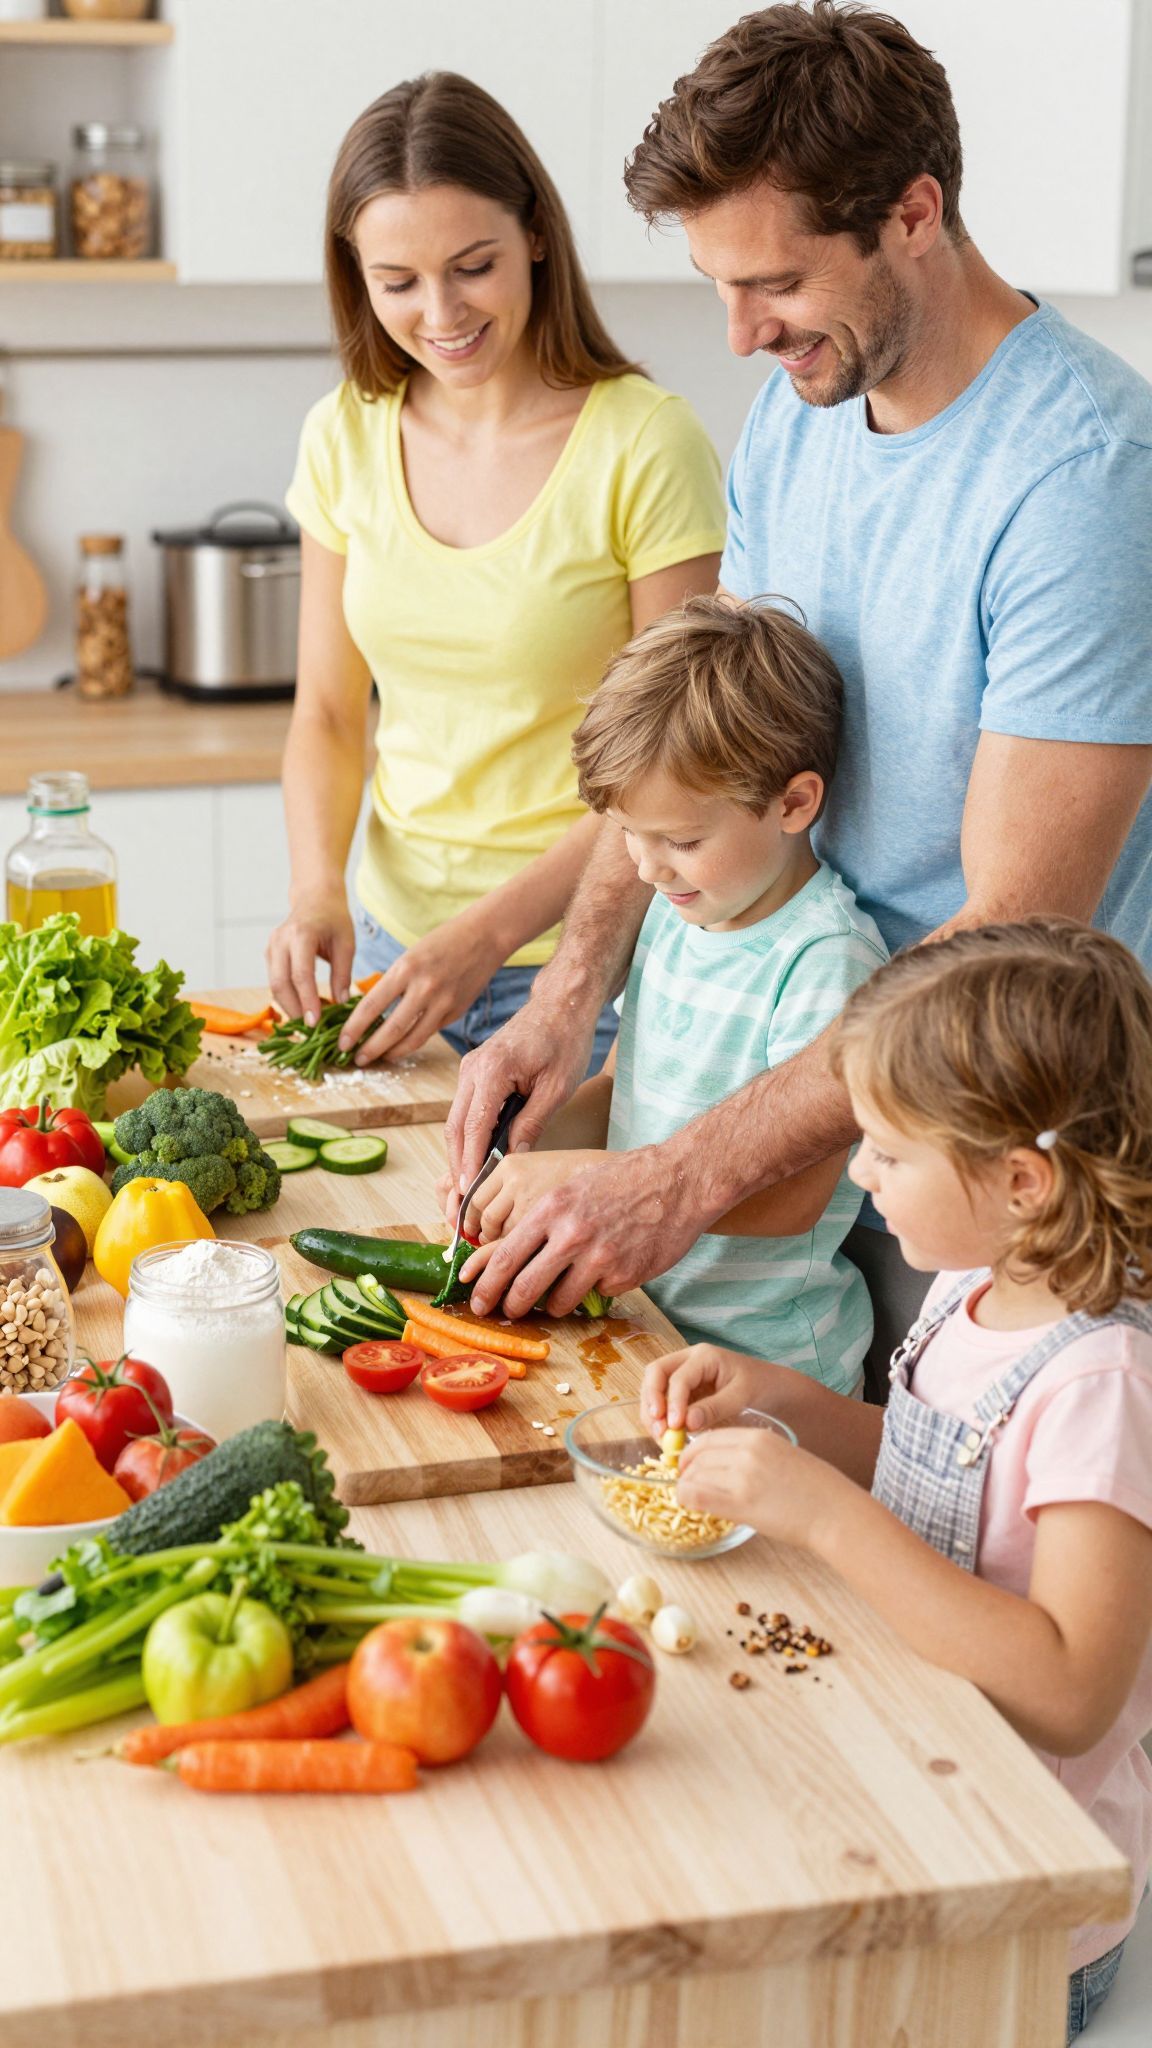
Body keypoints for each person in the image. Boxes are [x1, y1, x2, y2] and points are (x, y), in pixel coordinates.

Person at [446, 3, 1152, 1391]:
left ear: (913, 214)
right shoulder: (802, 411)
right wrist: (567, 998)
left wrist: (682, 1174)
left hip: (1003, 1173)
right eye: (717, 283)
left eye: (773, 281)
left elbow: (1012, 930)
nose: (739, 333)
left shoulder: (1085, 479)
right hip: (814, 1131)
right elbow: (696, 746)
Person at [643, 920, 1152, 2041]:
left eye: (886, 1151)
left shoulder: (1102, 1381)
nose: (861, 1174)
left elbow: (1074, 1691)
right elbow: (947, 1472)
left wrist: (825, 1517)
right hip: (916, 1773)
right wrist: (787, 1402)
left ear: (1021, 1181)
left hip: (1016, 1903)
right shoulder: (977, 1279)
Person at [269, 71, 724, 1065]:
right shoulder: (343, 434)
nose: (440, 311)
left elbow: (667, 763)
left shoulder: (645, 443)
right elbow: (330, 713)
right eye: (398, 282)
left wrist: (488, 937)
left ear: (536, 236)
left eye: (472, 266)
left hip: (588, 967)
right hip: (393, 955)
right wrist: (315, 888)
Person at [465, 596, 887, 1389]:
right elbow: (619, 1088)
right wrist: (517, 1157)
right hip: (642, 1332)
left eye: (683, 840)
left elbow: (796, 1203)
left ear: (794, 803)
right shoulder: (675, 910)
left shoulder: (826, 958)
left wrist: (578, 1184)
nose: (648, 866)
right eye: (628, 832)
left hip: (766, 1369)